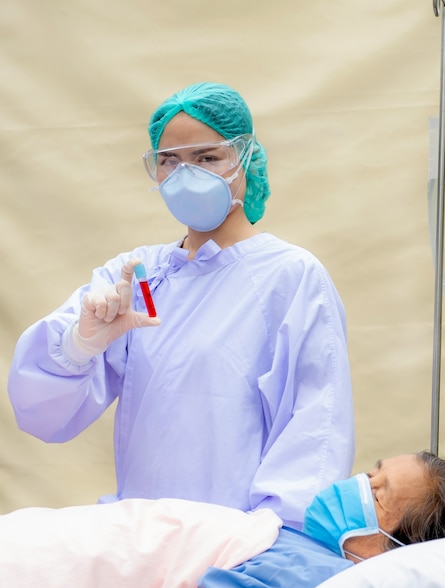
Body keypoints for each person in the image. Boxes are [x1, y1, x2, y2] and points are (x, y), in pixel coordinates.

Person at [7, 81, 355, 527]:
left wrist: (265, 550)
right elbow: (42, 415)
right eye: (169, 160)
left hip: (235, 548)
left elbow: (315, 430)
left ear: (247, 159)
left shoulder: (289, 276)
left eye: (207, 157)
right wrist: (78, 347)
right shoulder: (141, 277)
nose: (186, 174)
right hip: (142, 545)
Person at [151, 451, 445, 588]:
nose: (356, 484)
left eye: (378, 496)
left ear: (397, 549)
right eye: (371, 474)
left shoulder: (308, 577)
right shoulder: (308, 551)